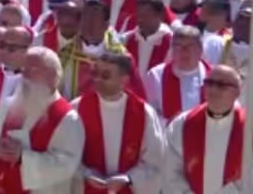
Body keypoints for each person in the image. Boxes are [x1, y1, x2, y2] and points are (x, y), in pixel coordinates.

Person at [0, 47, 85, 194]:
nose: (24, 75)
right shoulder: (10, 105)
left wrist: (23, 157)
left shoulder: (67, 118)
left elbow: (66, 164)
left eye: (32, 69)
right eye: (23, 69)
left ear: (52, 75)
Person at [70, 51, 164, 193]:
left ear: (124, 80)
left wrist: (128, 178)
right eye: (96, 73)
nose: (98, 79)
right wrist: (86, 173)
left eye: (106, 75)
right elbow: (66, 152)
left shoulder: (144, 113)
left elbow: (155, 161)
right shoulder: (77, 108)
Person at [163, 63, 244, 193]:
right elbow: (169, 169)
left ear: (238, 92)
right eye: (209, 83)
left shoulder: (248, 128)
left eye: (222, 85)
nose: (213, 89)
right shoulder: (182, 124)